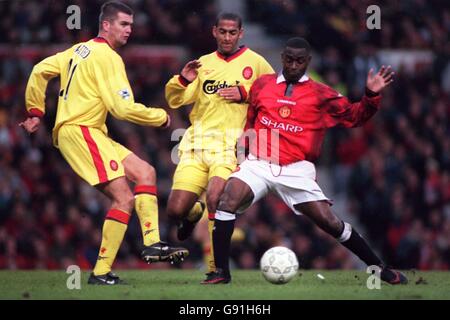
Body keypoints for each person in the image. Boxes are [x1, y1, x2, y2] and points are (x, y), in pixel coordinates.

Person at [204, 37, 408, 285]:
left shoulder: (321, 94)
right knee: (227, 199)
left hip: (296, 170)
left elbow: (355, 117)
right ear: (282, 59)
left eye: (299, 61)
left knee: (331, 223)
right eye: (289, 60)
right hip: (258, 163)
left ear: (308, 62)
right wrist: (242, 156)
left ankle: (381, 269)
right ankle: (221, 273)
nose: (293, 65)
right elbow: (250, 120)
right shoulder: (262, 85)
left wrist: (370, 95)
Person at [19, 1, 188, 285]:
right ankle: (101, 272)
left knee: (145, 172)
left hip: (89, 132)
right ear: (106, 25)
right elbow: (121, 108)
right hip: (81, 131)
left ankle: (152, 244)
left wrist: (36, 112)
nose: (129, 30)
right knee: (124, 198)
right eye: (123, 24)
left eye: (131, 25)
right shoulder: (108, 57)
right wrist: (158, 117)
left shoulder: (77, 50)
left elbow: (39, 70)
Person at [165, 13, 274, 282]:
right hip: (195, 144)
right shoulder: (202, 64)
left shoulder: (257, 63)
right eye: (222, 32)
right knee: (175, 210)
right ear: (214, 32)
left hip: (229, 147)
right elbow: (175, 100)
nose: (227, 37)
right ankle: (192, 215)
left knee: (216, 198)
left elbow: (275, 94)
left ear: (241, 33)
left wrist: (246, 94)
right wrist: (182, 79)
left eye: (232, 32)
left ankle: (217, 269)